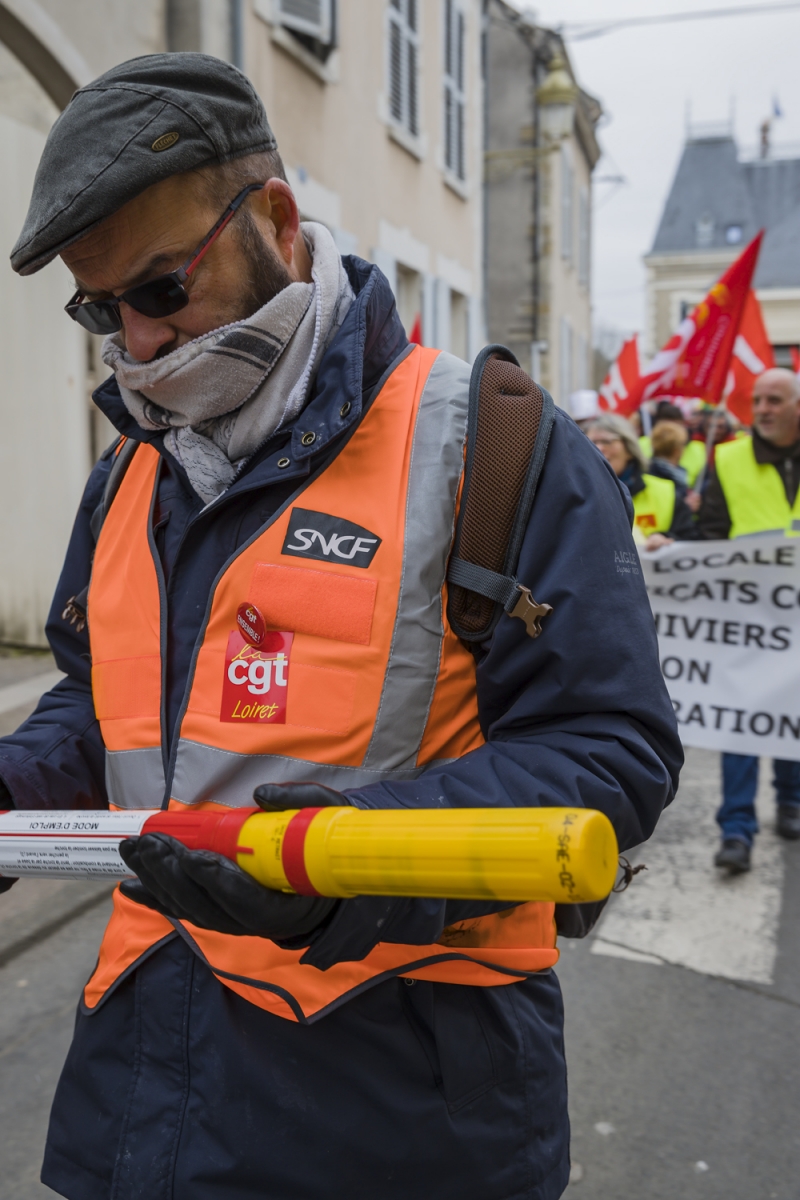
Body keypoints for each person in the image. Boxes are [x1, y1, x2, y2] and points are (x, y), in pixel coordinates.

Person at [1, 55, 681, 1200]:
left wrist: (350, 858)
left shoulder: (496, 446)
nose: (141, 344)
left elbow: (608, 750)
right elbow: (100, 700)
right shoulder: (126, 479)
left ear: (272, 214)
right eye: (99, 307)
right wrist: (14, 787)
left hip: (402, 1115)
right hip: (141, 1099)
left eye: (162, 289)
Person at [698, 367, 800, 873]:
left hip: (796, 621)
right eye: (758, 399)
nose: (761, 408)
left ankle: (791, 800)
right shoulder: (730, 458)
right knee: (743, 722)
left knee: (792, 715)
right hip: (748, 619)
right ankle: (736, 829)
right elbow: (710, 533)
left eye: (774, 400)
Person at [587, 414, 696, 547]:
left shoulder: (664, 492)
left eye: (607, 441)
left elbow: (691, 541)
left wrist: (666, 539)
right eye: (591, 443)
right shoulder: (577, 493)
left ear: (629, 448)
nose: (598, 449)